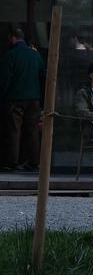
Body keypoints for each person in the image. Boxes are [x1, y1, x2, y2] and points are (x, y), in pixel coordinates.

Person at [0, 28, 45, 170]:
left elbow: (5, 78)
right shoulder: (35, 55)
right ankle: (33, 162)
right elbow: (43, 74)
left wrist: (2, 95)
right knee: (32, 130)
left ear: (13, 38)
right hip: (34, 98)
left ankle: (12, 162)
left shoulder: (10, 55)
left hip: (15, 98)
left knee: (14, 130)